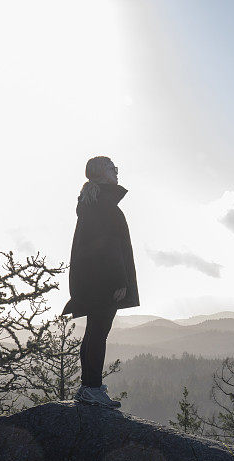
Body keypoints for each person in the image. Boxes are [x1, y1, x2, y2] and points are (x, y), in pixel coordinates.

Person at [62, 156, 139, 408]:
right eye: (111, 168)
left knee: (94, 332)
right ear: (100, 173)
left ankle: (89, 386)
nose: (116, 172)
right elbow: (108, 245)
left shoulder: (91, 203)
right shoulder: (104, 203)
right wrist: (120, 279)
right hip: (105, 279)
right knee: (99, 333)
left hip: (92, 278)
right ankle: (92, 388)